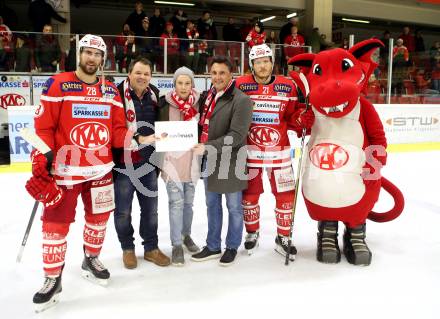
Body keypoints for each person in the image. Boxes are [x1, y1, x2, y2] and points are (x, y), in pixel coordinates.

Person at [24, 34, 156, 313]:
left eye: (97, 54)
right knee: (55, 225)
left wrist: (137, 139)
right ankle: (52, 278)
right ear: (79, 54)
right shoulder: (59, 84)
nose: (92, 58)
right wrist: (42, 158)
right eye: (87, 53)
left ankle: (91, 258)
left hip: (100, 170)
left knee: (98, 220)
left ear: (103, 59)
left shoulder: (110, 91)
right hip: (67, 170)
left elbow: (117, 130)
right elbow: (43, 127)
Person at [235, 44, 314, 259]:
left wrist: (301, 119)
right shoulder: (240, 85)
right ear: (251, 65)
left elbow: (292, 116)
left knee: (286, 195)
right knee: (249, 195)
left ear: (272, 63)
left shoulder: (287, 86)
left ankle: (284, 236)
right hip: (250, 154)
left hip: (279, 154)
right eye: (258, 62)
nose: (262, 66)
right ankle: (252, 233)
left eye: (266, 61)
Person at [191, 56, 253, 266]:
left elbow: (237, 135)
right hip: (210, 160)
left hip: (231, 161)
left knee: (234, 207)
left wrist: (207, 147)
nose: (217, 77)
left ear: (231, 75)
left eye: (222, 73)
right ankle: (213, 245)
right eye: (214, 72)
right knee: (212, 205)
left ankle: (232, 246)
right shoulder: (208, 96)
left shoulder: (241, 100)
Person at [112, 56, 171, 269]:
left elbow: (163, 122)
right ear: (129, 73)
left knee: (150, 210)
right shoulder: (117, 94)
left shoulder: (154, 93)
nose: (142, 77)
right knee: (123, 211)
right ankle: (127, 248)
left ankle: (151, 249)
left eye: (146, 73)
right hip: (124, 164)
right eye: (138, 72)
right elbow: (114, 129)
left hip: (148, 163)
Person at [157, 67, 201, 266]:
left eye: (187, 83)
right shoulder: (164, 104)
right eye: (179, 83)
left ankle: (185, 235)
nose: (183, 87)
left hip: (191, 163)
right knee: (176, 203)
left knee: (188, 204)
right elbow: (156, 131)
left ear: (192, 85)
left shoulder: (199, 104)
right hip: (171, 164)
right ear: (174, 84)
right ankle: (176, 245)